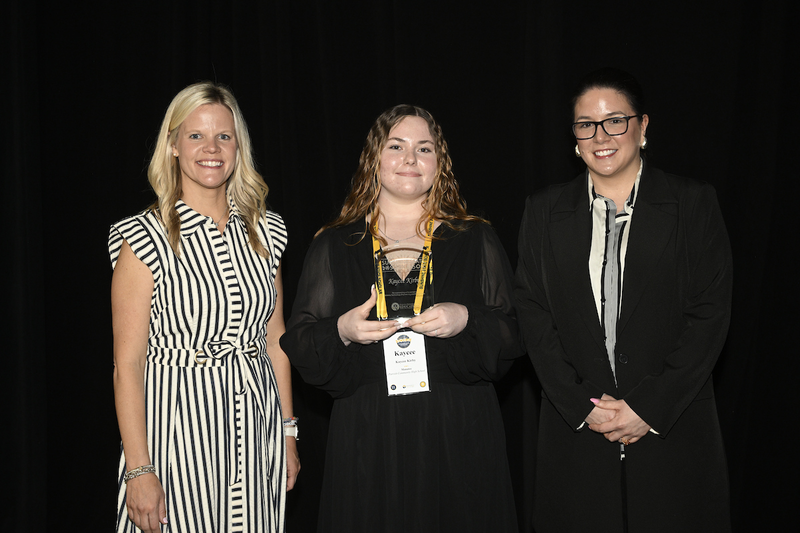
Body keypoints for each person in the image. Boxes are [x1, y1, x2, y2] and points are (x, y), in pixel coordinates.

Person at [281, 104, 523, 532]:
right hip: (368, 435)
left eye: (424, 148)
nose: (410, 159)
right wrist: (343, 330)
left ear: (439, 164)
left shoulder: (474, 237)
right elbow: (299, 342)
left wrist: (466, 317)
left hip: (459, 432)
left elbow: (514, 331)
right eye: (396, 146)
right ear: (374, 159)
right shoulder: (336, 243)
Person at [514, 67, 733, 532]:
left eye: (615, 120)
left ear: (643, 125)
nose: (601, 136)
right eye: (586, 125)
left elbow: (709, 315)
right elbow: (533, 315)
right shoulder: (543, 211)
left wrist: (648, 408)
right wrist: (581, 407)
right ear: (574, 136)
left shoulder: (693, 204)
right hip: (577, 439)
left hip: (671, 435)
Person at [109, 81, 299, 533]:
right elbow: (127, 364)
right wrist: (139, 471)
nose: (211, 148)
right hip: (174, 433)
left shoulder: (265, 231)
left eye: (224, 136)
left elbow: (275, 339)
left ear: (238, 146)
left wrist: (288, 433)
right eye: (195, 135)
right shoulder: (143, 238)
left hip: (255, 428)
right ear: (173, 145)